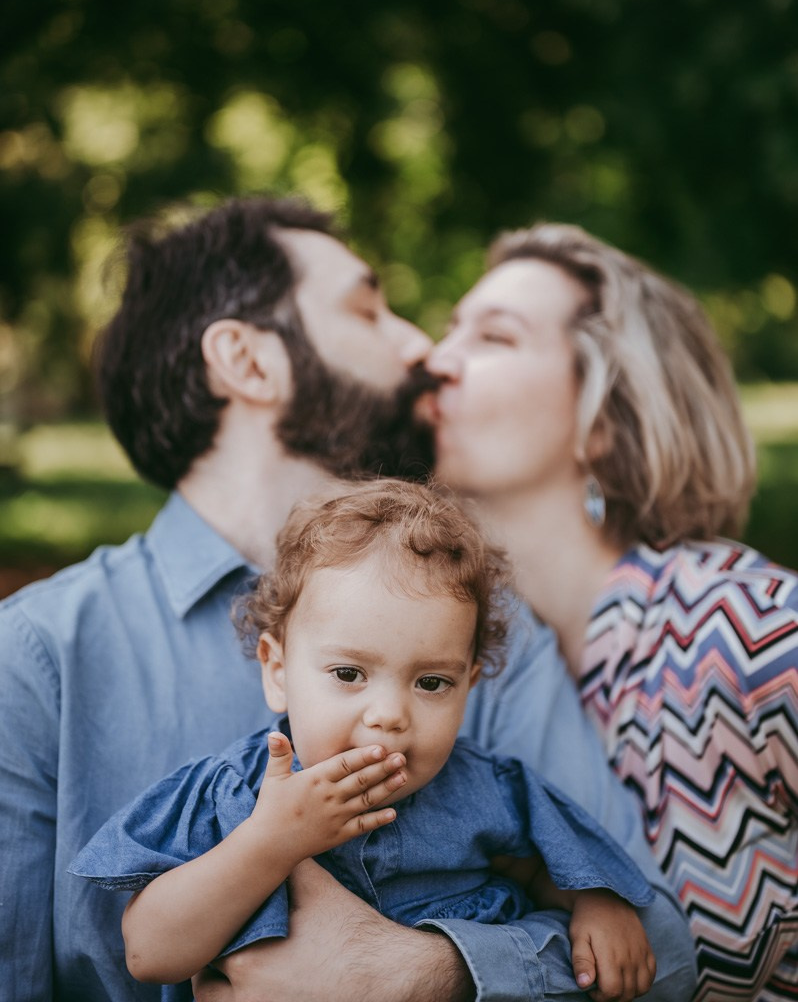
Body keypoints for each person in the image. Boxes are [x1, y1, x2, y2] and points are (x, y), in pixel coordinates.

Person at [0, 197, 696, 1002]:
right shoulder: (35, 660)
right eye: (369, 308)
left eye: (431, 684)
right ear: (247, 360)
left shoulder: (476, 624)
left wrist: (428, 974)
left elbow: (665, 955)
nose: (421, 347)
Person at [72, 480, 658, 1002]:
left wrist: (594, 903)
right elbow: (150, 954)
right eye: (349, 674)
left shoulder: (489, 790)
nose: (389, 715)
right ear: (277, 670)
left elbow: (535, 869)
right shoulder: (237, 795)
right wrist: (269, 842)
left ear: (470, 684)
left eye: (432, 683)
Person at [422, 220, 798, 1002]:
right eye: (448, 330)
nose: (434, 361)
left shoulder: (746, 629)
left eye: (493, 336)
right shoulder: (433, 671)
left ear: (603, 417)